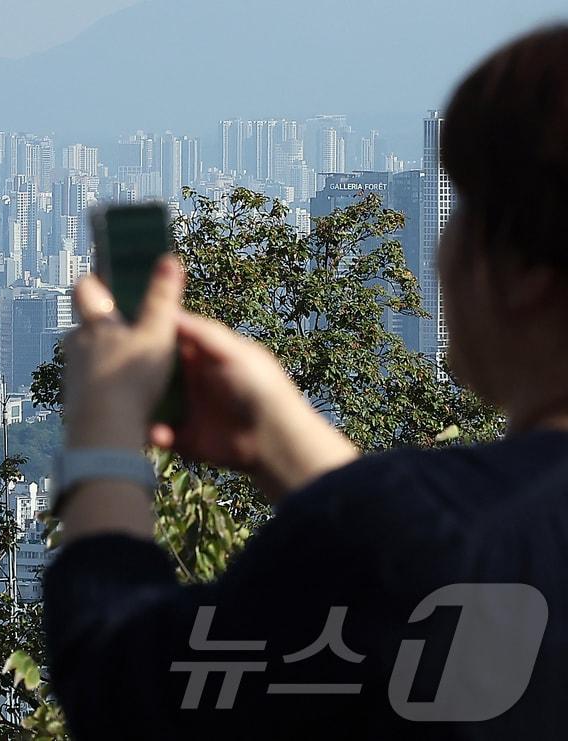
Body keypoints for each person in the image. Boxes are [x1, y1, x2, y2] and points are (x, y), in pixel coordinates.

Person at [45, 25, 568, 740]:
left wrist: (103, 426)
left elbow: (122, 680)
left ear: (524, 273)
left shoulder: (444, 545)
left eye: (461, 207)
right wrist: (292, 450)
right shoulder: (461, 546)